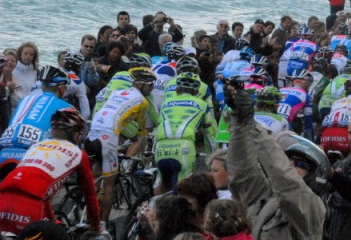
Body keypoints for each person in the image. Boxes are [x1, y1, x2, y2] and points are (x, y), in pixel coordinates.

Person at [225, 86, 328, 239]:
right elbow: (241, 172)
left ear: (315, 174)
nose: (291, 165)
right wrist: (238, 119)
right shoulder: (266, 196)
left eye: (301, 164)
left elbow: (287, 183)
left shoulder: (314, 207)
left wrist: (252, 125)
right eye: (288, 160)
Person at [0, 108, 103, 236]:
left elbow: (38, 188)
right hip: (30, 207)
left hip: (3, 197)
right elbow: (90, 194)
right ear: (75, 134)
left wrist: (53, 220)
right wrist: (95, 226)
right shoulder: (78, 154)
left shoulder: (36, 146)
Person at [85, 67, 157, 228]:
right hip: (107, 138)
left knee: (97, 174)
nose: (152, 89)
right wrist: (141, 153)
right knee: (110, 183)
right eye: (151, 85)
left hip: (91, 135)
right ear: (141, 85)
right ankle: (102, 224)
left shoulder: (117, 93)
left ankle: (88, 210)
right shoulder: (142, 102)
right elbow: (141, 130)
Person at [0, 66, 72, 175]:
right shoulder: (66, 106)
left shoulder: (25, 99)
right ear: (62, 88)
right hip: (34, 154)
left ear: (42, 87)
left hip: (5, 147)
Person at [154, 72, 217, 194]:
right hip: (184, 148)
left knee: (163, 185)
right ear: (196, 91)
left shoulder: (165, 103)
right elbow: (210, 133)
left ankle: (149, 209)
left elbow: (159, 122)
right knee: (183, 191)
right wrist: (212, 157)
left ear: (177, 89)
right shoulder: (202, 105)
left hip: (160, 148)